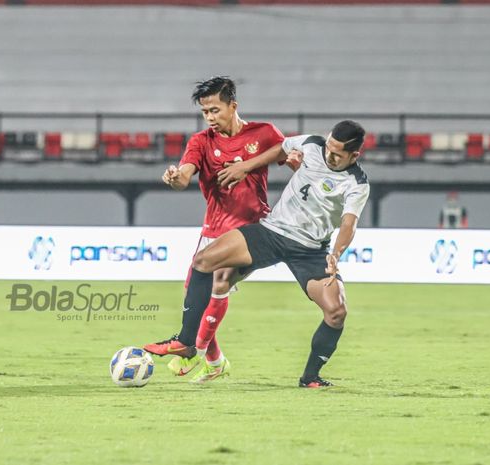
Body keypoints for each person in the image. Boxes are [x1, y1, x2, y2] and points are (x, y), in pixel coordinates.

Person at [145, 120, 369, 388]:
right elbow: (280, 149)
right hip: (271, 233)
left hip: (310, 251)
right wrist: (245, 166)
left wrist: (336, 253)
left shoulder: (357, 183)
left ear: (354, 155)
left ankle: (310, 377)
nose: (329, 155)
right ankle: (186, 342)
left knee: (336, 312)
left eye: (337, 154)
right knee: (203, 261)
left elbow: (348, 223)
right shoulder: (312, 144)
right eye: (329, 147)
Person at [161, 76, 293, 383]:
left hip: (252, 229)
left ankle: (193, 350)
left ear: (233, 106)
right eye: (205, 112)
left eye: (215, 110)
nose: (210, 117)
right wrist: (173, 178)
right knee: (196, 299)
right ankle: (215, 361)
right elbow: (184, 177)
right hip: (213, 228)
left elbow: (291, 161)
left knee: (219, 281)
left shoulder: (264, 133)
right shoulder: (200, 142)